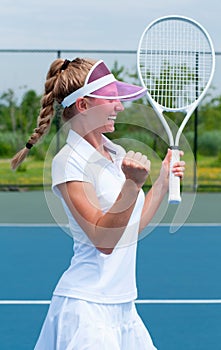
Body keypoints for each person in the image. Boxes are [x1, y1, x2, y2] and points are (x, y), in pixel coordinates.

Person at [11, 58, 185, 349]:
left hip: (124, 307)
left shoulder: (115, 153)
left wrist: (163, 182)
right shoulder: (68, 162)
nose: (120, 107)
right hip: (87, 309)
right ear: (83, 106)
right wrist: (131, 184)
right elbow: (103, 240)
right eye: (112, 99)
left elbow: (128, 232)